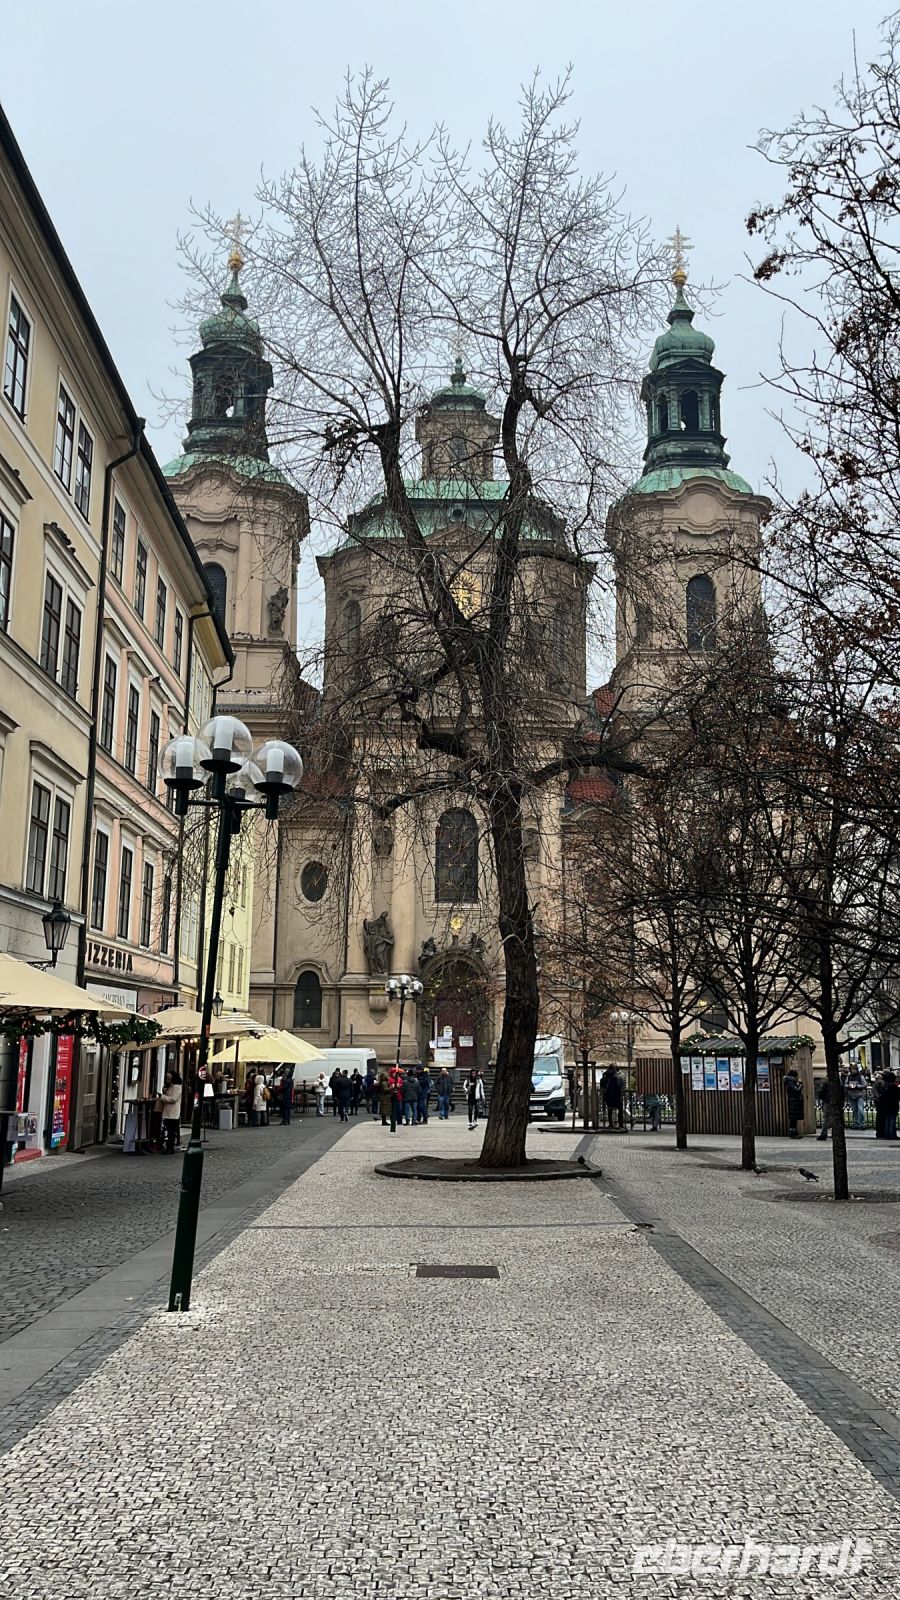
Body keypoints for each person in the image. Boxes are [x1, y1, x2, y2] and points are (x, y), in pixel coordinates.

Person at [159, 1072, 183, 1153]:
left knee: (171, 1132)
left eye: (169, 1078)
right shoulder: (171, 1087)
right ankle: (169, 1147)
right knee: (169, 1131)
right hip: (169, 1112)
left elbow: (173, 1098)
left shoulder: (177, 1087)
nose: (167, 1080)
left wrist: (162, 1097)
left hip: (173, 1112)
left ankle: (170, 1148)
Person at [601, 1064, 624, 1130]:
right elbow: (618, 1086)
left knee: (609, 1110)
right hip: (615, 1096)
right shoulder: (615, 1076)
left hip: (607, 1096)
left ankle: (611, 1123)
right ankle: (620, 1124)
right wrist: (619, 1095)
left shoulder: (604, 1076)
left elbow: (602, 1084)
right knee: (620, 1109)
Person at [784, 1067, 804, 1138]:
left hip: (793, 1101)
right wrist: (801, 1084)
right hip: (794, 1102)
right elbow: (796, 1090)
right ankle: (793, 1134)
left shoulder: (790, 1082)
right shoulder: (791, 1082)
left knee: (794, 1118)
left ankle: (794, 1132)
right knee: (793, 1119)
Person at [845, 1064, 867, 1131]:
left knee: (860, 1110)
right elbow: (845, 1084)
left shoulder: (860, 1077)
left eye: (854, 1069)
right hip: (852, 1095)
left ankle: (862, 1124)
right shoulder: (849, 1077)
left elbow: (865, 1084)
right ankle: (856, 1123)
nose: (853, 1071)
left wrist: (857, 1086)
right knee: (855, 1110)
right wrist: (849, 1086)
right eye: (852, 1070)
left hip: (859, 1095)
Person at [880, 1069, 899, 1141]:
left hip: (886, 1105)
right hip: (893, 1105)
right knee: (892, 1120)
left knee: (887, 1119)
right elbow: (897, 1096)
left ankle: (887, 1133)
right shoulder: (894, 1087)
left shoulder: (885, 1085)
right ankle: (892, 1134)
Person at [816, 1075, 831, 1141]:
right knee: (835, 1118)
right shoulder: (838, 1081)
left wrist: (823, 1098)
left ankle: (824, 1134)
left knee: (826, 1118)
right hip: (835, 1101)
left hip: (827, 1101)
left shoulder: (825, 1081)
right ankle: (835, 1133)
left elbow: (820, 1092)